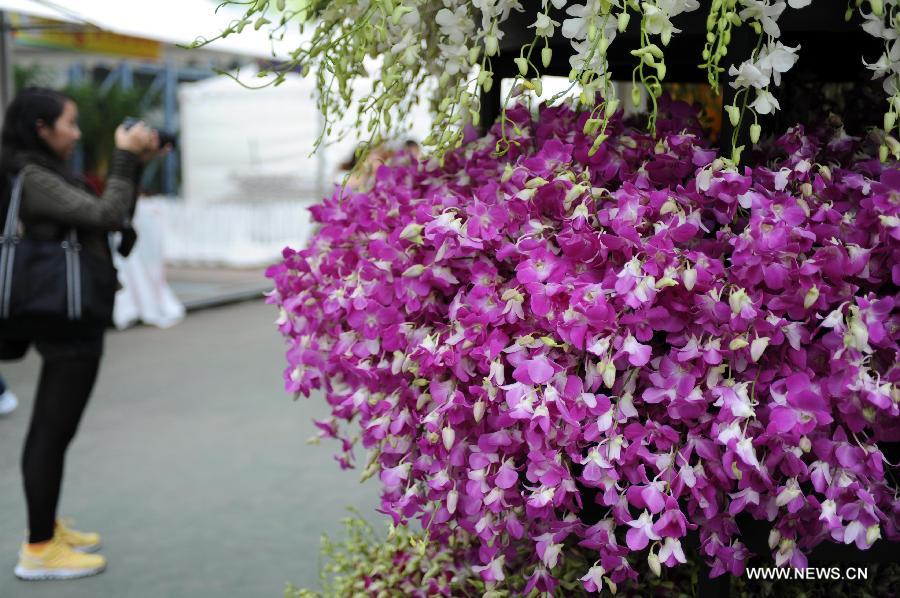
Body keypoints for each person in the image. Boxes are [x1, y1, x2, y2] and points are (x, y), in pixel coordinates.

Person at [0, 87, 166, 580]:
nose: (75, 133)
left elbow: (109, 210)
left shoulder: (39, 170)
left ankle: (46, 527)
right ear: (41, 129)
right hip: (64, 320)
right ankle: (39, 549)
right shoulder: (32, 175)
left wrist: (136, 164)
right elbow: (105, 215)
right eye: (69, 124)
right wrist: (122, 156)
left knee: (55, 431)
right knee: (52, 431)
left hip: (65, 315)